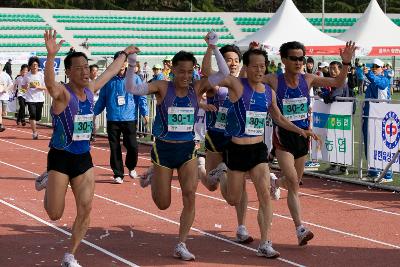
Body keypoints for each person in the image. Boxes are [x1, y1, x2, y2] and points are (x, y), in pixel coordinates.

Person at [36, 30, 138, 267]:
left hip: (83, 158)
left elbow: (112, 70)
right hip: (61, 158)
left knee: (86, 208)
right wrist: (51, 56)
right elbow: (50, 83)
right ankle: (49, 180)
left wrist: (124, 53)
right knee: (54, 214)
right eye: (78, 68)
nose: (84, 71)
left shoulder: (91, 89)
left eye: (86, 67)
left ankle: (70, 255)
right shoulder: (62, 94)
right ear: (69, 72)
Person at [124, 32, 230, 261]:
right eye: (180, 71)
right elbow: (132, 88)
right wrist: (131, 64)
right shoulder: (162, 87)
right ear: (172, 70)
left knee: (190, 194)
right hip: (163, 150)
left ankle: (181, 243)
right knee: (163, 204)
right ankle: (154, 174)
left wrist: (214, 47)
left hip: (187, 150)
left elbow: (224, 73)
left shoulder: (198, 87)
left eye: (189, 71)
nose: (185, 76)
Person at [208, 44, 318, 258]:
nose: (260, 70)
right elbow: (210, 73)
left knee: (265, 195)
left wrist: (301, 130)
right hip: (237, 150)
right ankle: (222, 174)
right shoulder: (236, 85)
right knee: (233, 198)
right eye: (255, 66)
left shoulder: (269, 92)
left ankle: (265, 243)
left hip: (258, 151)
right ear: (246, 68)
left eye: (263, 66)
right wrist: (211, 48)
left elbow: (278, 118)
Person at [262, 41, 355, 246]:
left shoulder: (309, 79)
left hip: (303, 138)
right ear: (284, 60)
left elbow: (339, 82)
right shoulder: (274, 80)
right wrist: (255, 57)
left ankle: (276, 182)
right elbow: (246, 78)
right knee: (294, 183)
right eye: (293, 58)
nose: (298, 62)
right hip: (283, 137)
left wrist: (346, 62)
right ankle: (300, 228)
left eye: (301, 58)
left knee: (293, 183)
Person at [199, 43, 254, 244]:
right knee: (212, 186)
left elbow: (252, 69)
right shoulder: (217, 83)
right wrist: (210, 48)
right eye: (228, 59)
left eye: (236, 60)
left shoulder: (243, 83)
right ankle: (202, 169)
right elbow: (205, 72)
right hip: (216, 137)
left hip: (236, 138)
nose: (232, 63)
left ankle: (241, 227)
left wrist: (250, 52)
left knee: (240, 186)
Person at [93, 51, 149, 184]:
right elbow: (102, 99)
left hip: (129, 118)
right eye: (119, 61)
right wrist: (94, 113)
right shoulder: (108, 80)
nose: (122, 64)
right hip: (113, 119)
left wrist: (144, 112)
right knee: (114, 148)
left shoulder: (134, 78)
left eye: (124, 61)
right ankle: (118, 173)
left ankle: (131, 166)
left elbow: (141, 97)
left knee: (133, 146)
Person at [362, 58, 392, 182]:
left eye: (377, 66)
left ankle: (387, 175)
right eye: (373, 66)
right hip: (369, 115)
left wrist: (369, 73)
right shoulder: (371, 78)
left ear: (382, 68)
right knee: (369, 143)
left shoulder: (384, 79)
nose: (374, 68)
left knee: (382, 145)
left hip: (381, 116)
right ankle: (373, 171)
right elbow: (360, 76)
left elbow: (381, 84)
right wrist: (360, 68)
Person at [22, 56, 47, 139]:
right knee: (32, 115)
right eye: (33, 65)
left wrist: (38, 87)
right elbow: (22, 88)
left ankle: (35, 125)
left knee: (38, 117)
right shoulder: (27, 76)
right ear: (30, 66)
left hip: (40, 98)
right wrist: (26, 86)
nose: (35, 66)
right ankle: (34, 133)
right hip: (30, 99)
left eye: (36, 65)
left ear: (38, 65)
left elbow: (46, 87)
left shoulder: (41, 75)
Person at [0, 63, 13, 132]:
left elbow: (11, 84)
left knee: (4, 113)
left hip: (4, 96)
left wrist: (6, 89)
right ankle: (0, 125)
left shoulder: (5, 75)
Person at [89, 64, 99, 141]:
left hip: (97, 103)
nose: (95, 72)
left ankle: (93, 133)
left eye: (96, 71)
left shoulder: (99, 80)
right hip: (88, 103)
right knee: (89, 119)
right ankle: (90, 135)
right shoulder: (86, 80)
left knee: (96, 122)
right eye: (93, 71)